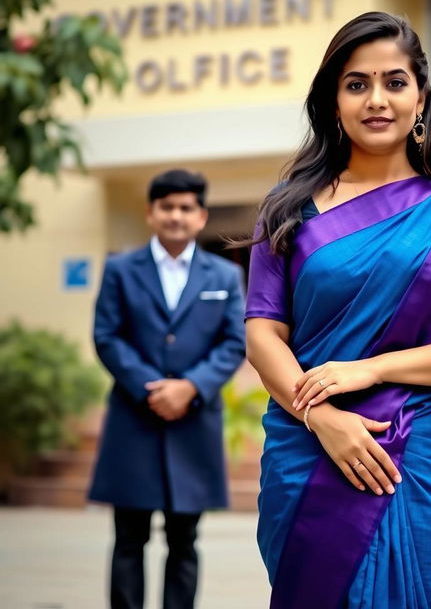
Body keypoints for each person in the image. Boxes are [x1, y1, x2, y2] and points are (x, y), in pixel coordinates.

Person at [243, 12, 431, 608]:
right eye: (356, 84)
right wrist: (321, 418)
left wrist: (371, 370)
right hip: (307, 452)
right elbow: (263, 336)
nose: (376, 99)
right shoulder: (287, 213)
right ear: (333, 101)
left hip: (425, 457)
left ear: (420, 99)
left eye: (394, 82)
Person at [88, 169, 246, 609]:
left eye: (185, 208)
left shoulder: (225, 275)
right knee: (128, 538)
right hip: (134, 420)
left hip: (194, 421)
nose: (176, 216)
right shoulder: (120, 269)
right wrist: (150, 388)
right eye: (167, 207)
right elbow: (107, 336)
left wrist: (191, 387)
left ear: (201, 216)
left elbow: (235, 342)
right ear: (151, 213)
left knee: (184, 540)